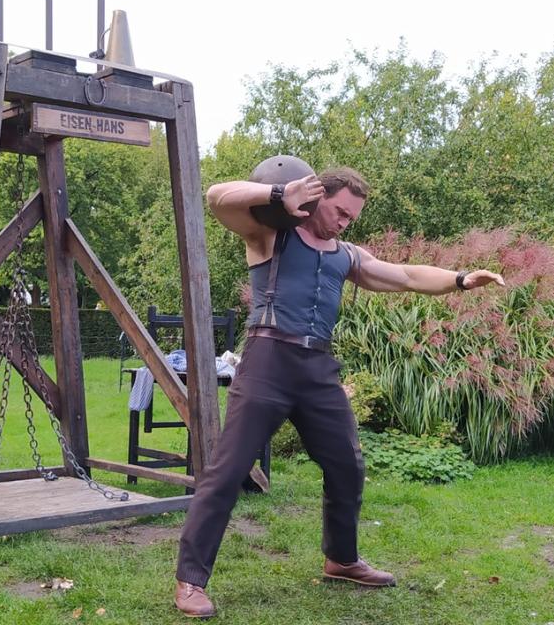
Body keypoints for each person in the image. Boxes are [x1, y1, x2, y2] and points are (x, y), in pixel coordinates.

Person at [173, 165, 505, 618]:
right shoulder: (270, 234)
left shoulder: (346, 255)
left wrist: (461, 279)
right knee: (228, 471)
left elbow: (405, 275)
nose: (346, 221)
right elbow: (216, 196)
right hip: (268, 359)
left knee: (347, 463)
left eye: (353, 216)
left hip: (317, 369)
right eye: (341, 212)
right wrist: (279, 193)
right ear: (315, 196)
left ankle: (342, 559)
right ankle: (191, 581)